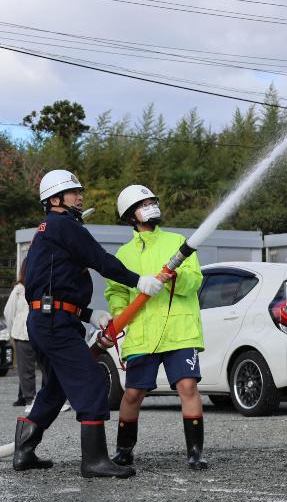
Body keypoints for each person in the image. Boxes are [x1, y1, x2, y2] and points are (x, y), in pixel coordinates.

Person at [13, 169, 164, 479]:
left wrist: (89, 314)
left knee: (56, 387)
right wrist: (139, 281)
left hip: (47, 320)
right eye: (73, 192)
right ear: (55, 199)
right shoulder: (64, 226)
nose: (79, 196)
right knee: (93, 381)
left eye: (80, 191)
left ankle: (24, 451)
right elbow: (101, 260)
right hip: (55, 323)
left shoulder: (48, 231)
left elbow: (52, 286)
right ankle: (94, 461)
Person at [104, 185, 207, 470]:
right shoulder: (123, 254)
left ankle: (195, 453)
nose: (151, 206)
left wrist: (174, 277)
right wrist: (119, 314)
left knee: (188, 386)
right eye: (144, 203)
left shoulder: (178, 242)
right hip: (142, 333)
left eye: (153, 201)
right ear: (130, 215)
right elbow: (116, 291)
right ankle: (124, 450)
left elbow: (195, 280)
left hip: (179, 331)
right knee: (133, 393)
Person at [4, 261, 39, 414]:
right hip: (22, 334)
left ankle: (48, 398)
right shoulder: (19, 289)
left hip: (39, 334)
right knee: (26, 370)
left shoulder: (42, 286)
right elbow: (9, 312)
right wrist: (13, 330)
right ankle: (29, 399)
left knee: (47, 368)